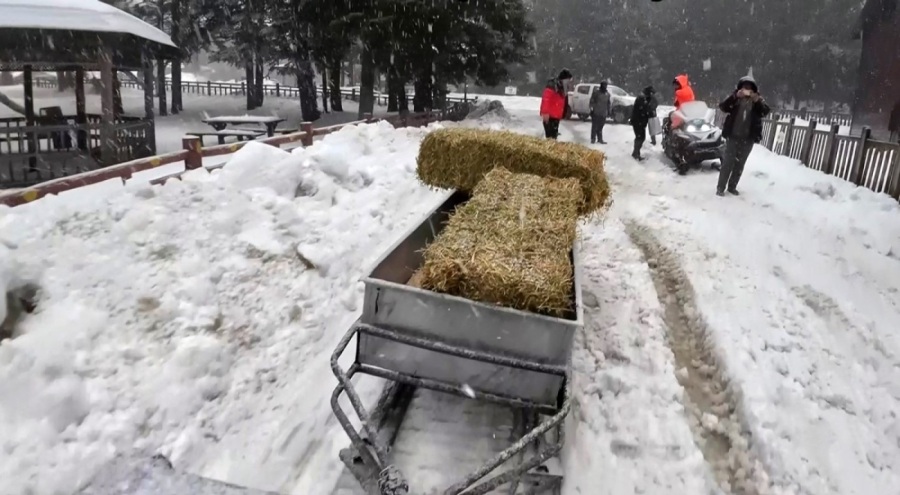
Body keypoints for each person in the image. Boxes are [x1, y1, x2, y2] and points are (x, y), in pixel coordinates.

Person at [716, 75, 771, 196]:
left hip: (748, 139)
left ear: (754, 89)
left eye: (750, 88)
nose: (747, 90)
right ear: (740, 88)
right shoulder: (735, 98)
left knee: (740, 164)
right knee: (727, 163)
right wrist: (735, 97)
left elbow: (765, 111)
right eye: (745, 87)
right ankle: (720, 188)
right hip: (733, 137)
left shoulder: (757, 101)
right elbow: (723, 107)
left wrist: (757, 101)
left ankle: (732, 187)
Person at [540, 69, 573, 140]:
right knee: (550, 137)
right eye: (568, 80)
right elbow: (546, 99)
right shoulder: (552, 86)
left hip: (556, 116)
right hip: (550, 116)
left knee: (553, 137)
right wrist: (545, 112)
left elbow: (564, 101)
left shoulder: (563, 88)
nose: (569, 82)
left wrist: (564, 113)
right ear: (564, 79)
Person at [629, 86, 656, 160]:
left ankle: (636, 153)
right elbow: (644, 110)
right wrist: (650, 113)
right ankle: (636, 153)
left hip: (640, 121)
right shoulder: (642, 98)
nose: (652, 95)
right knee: (640, 137)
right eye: (651, 93)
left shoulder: (644, 98)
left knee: (640, 137)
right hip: (638, 121)